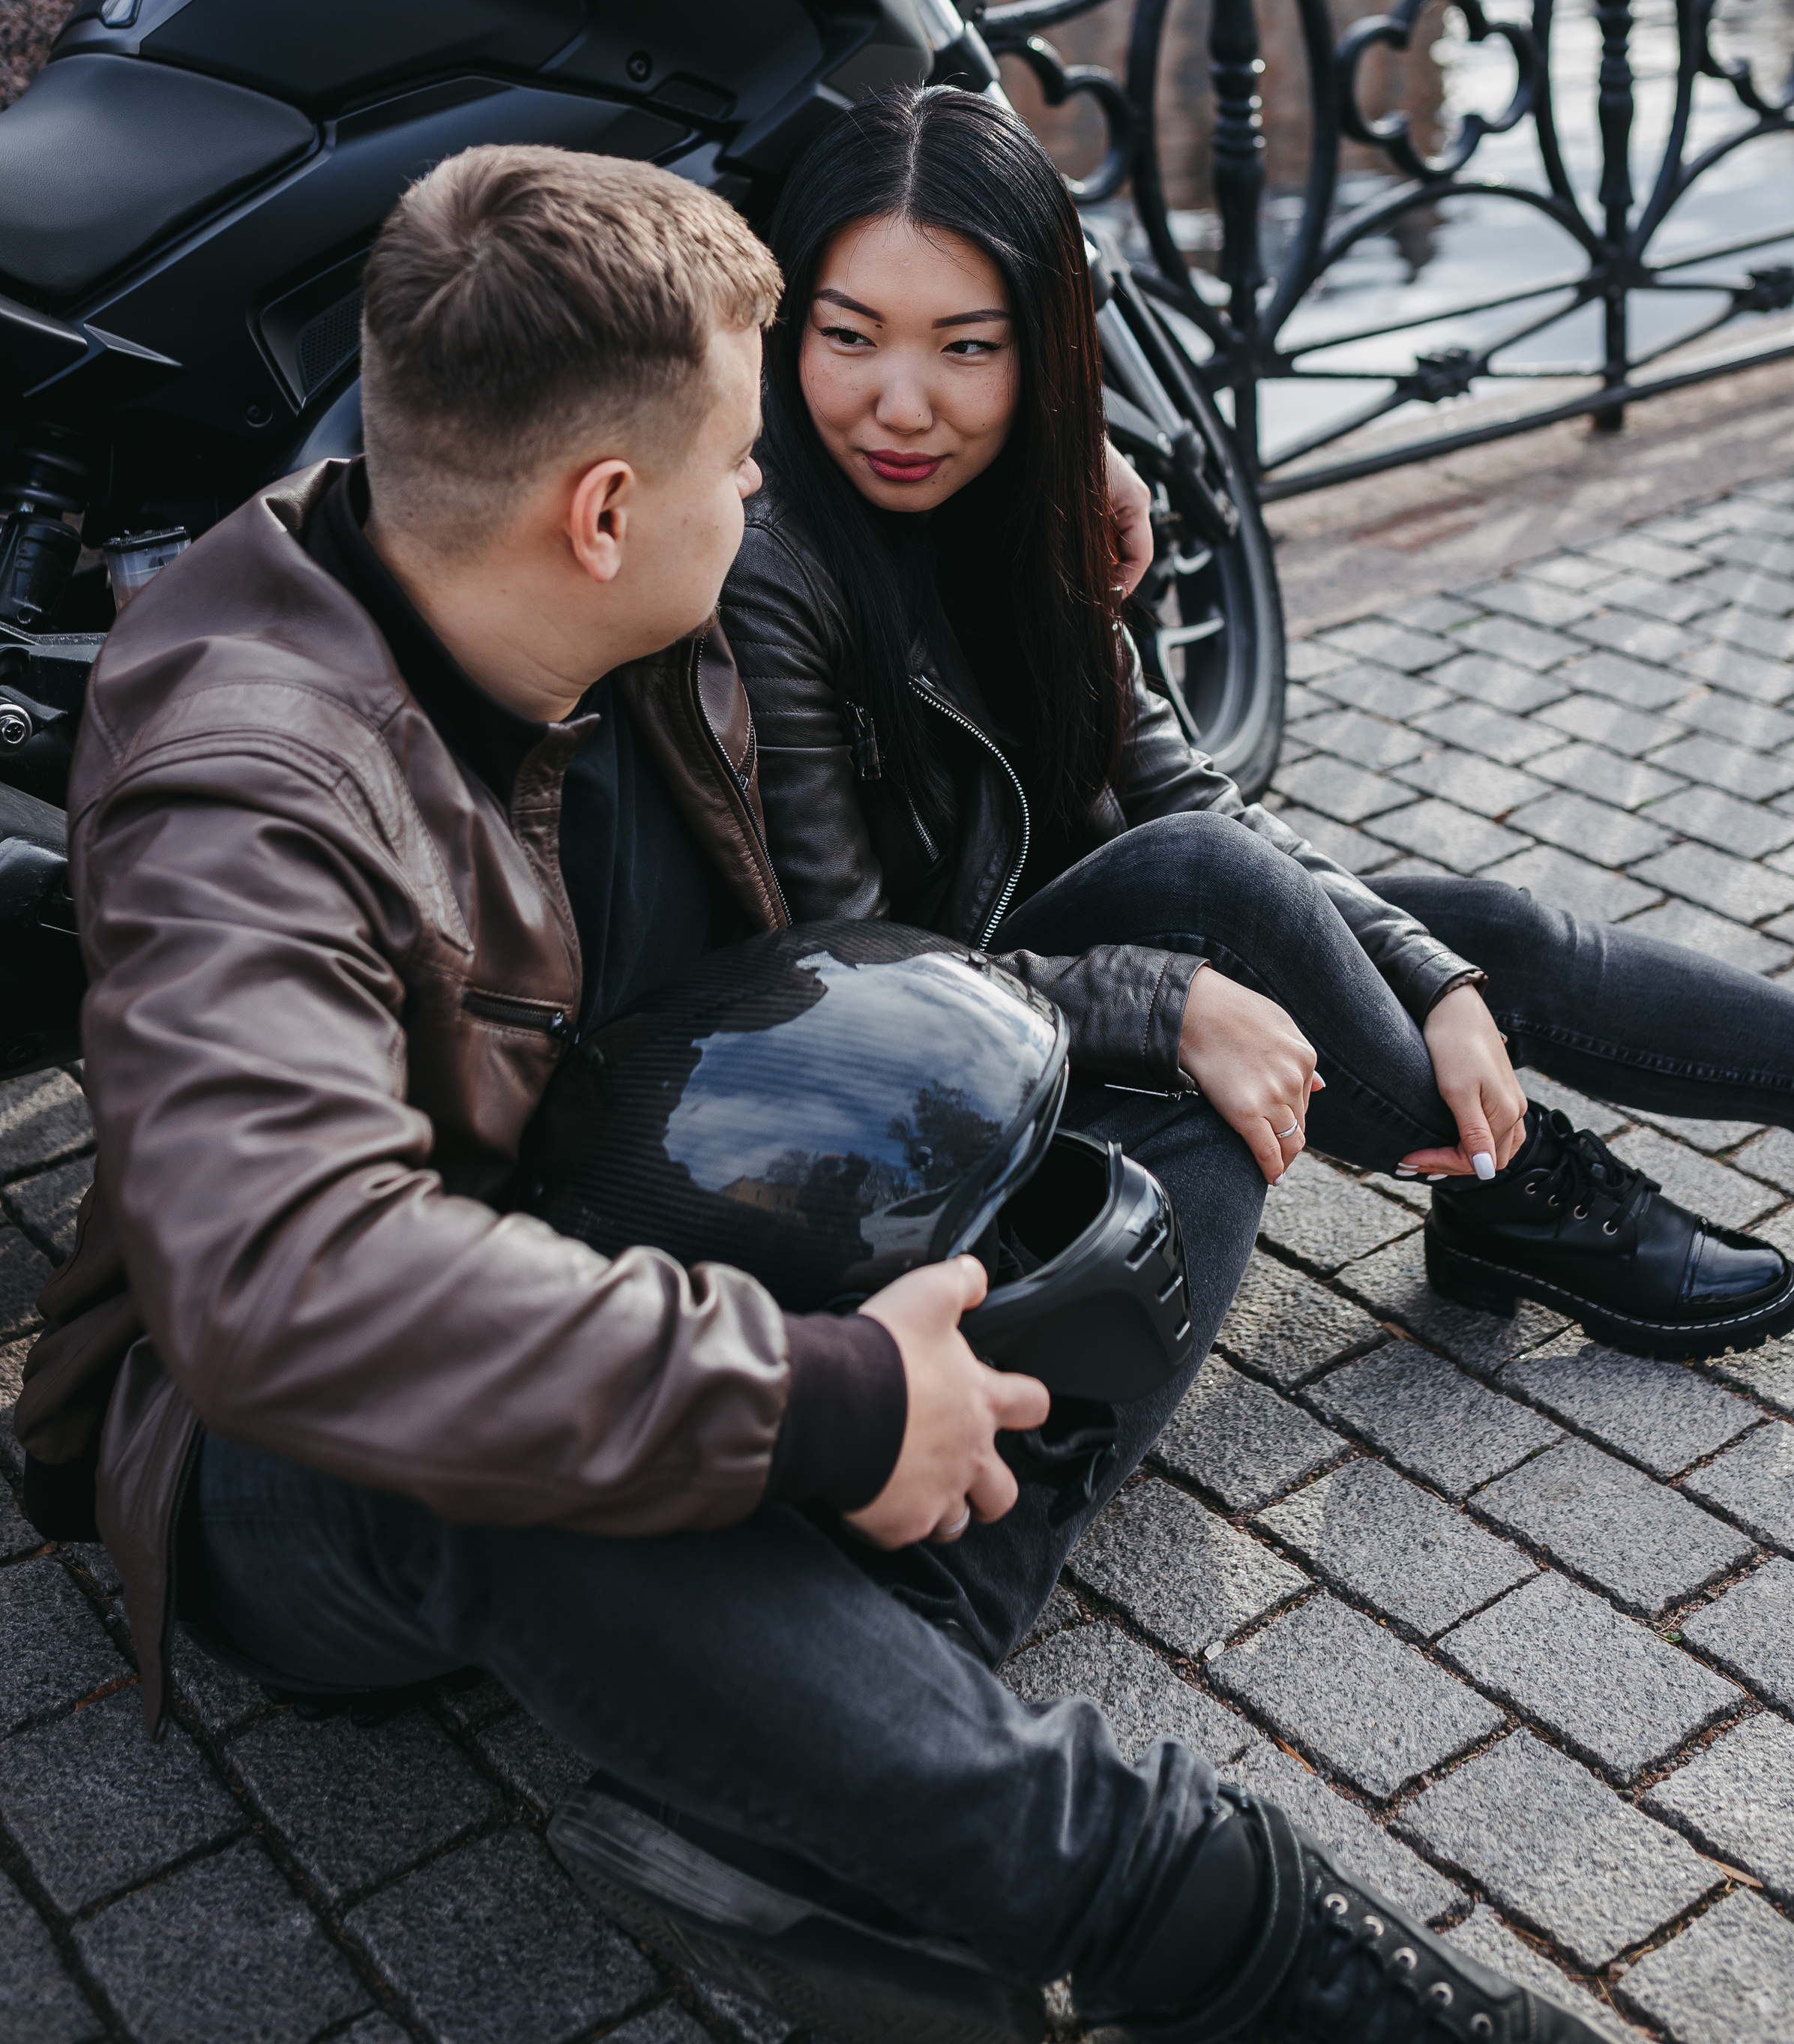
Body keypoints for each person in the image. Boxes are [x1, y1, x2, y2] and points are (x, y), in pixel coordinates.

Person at [13, 143, 1605, 2044]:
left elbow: (898, 187)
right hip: (274, 1463)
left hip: (655, 1209)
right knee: (482, 1447)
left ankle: (830, 1738)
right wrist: (838, 1398)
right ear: (606, 511)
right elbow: (290, 1288)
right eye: (738, 460)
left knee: (1161, 1122)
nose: (772, 486)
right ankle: (1234, 1944)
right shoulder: (251, 779)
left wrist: (1056, 515)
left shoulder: (560, 573)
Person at [721, 84, 1794, 1386]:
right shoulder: (768, 568)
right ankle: (1520, 1183)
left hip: (1079, 964)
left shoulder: (1029, 502)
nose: (901, 404)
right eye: (851, 337)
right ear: (789, 335)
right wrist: (1164, 997)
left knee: (1488, 940)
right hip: (945, 1058)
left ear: (1044, 352)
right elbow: (865, 972)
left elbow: (1186, 785)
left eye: (968, 347)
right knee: (1204, 880)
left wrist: (1436, 985)